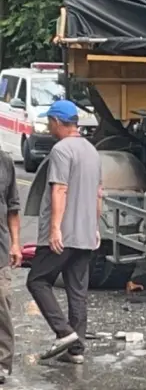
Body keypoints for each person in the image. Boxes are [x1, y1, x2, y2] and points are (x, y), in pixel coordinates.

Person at [26, 100, 102, 364]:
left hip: (63, 234)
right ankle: (76, 351)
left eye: (49, 122)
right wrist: (94, 226)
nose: (48, 127)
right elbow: (98, 194)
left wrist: (55, 229)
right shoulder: (92, 151)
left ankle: (64, 332)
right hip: (84, 235)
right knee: (77, 290)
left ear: (58, 122)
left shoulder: (61, 150)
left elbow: (60, 189)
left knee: (36, 280)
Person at [0, 150, 21, 384]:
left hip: (0, 248)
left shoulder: (4, 162)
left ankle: (2, 365)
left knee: (2, 305)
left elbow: (13, 207)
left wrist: (15, 243)